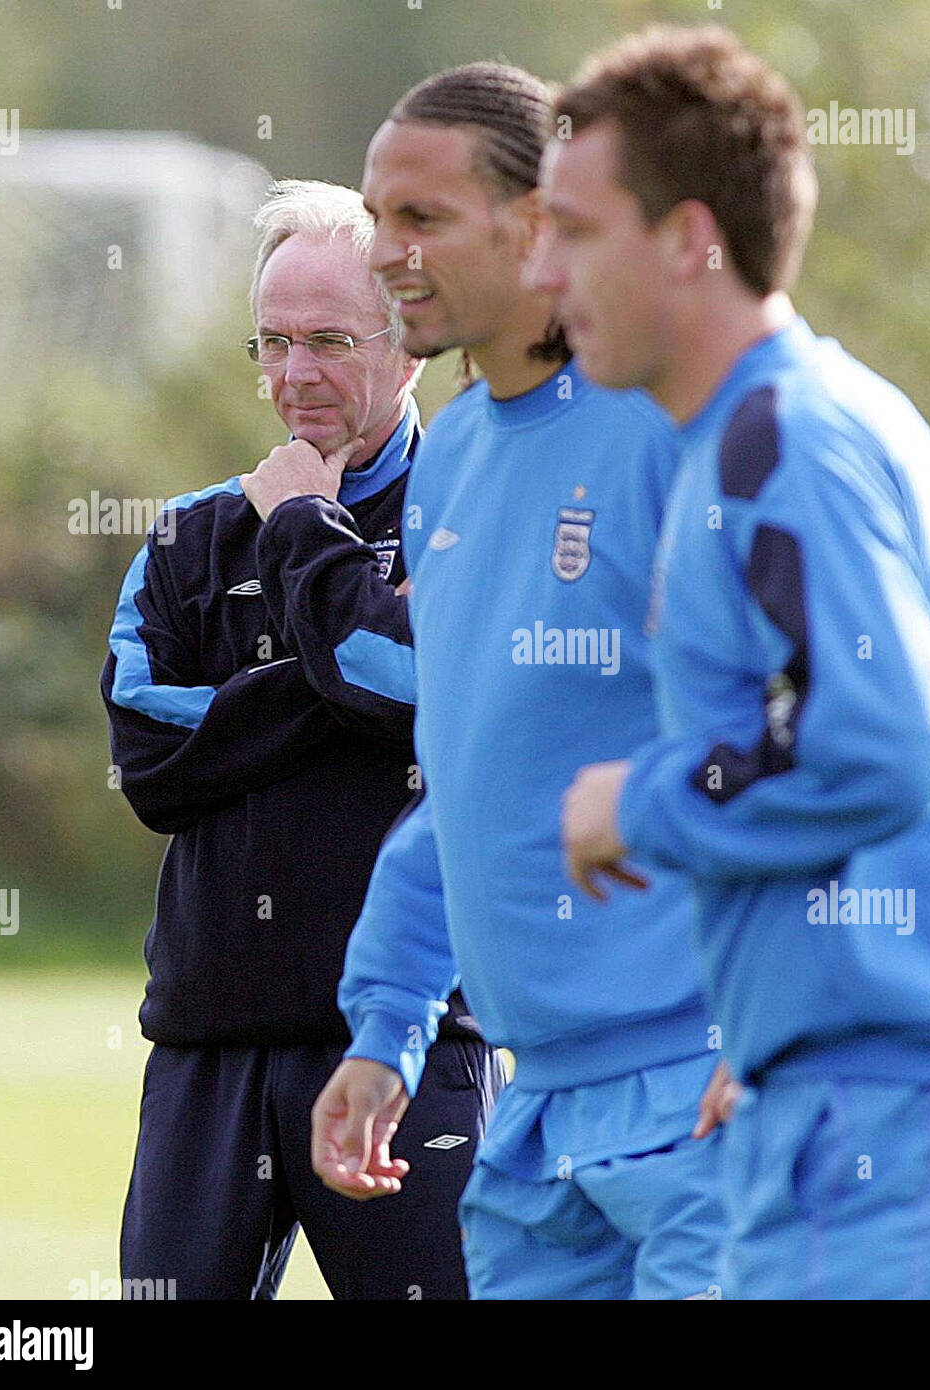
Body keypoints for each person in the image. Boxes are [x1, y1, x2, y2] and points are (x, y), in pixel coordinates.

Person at [547, 25, 930, 1299]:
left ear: (690, 238)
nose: (547, 267)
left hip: (904, 1109)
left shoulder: (778, 444)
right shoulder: (806, 429)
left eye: (576, 231)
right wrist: (794, 1013)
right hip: (878, 1091)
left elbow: (881, 745)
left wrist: (640, 801)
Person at [309, 63, 727, 1300]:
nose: (383, 253)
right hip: (535, 1116)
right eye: (376, 215)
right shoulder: (455, 464)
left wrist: (796, 1021)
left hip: (705, 1098)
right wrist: (385, 1023)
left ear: (538, 220)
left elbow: (824, 742)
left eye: (420, 217)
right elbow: (474, 775)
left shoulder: (671, 426)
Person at [101, 179, 503, 1301]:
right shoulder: (186, 537)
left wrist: (302, 539)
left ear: (408, 347)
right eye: (271, 342)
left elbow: (427, 690)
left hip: (414, 1036)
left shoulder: (477, 507)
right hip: (206, 1047)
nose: (293, 375)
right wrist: (328, 675)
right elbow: (150, 756)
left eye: (328, 340)